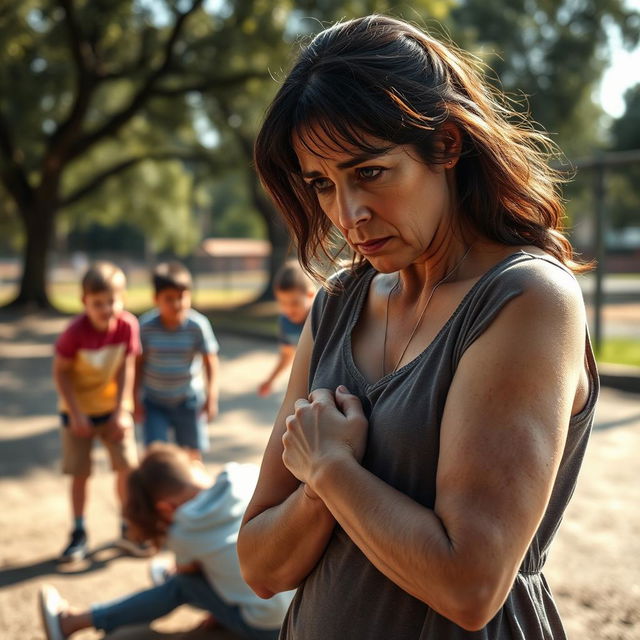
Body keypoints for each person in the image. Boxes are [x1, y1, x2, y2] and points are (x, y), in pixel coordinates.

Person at [237, 15, 599, 640]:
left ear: (448, 145)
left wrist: (332, 470)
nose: (348, 215)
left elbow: (470, 586)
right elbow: (260, 565)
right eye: (322, 185)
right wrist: (322, 492)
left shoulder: (526, 299)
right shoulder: (336, 307)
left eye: (370, 172)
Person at [39, 443, 295, 640]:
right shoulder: (242, 475)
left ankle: (73, 621)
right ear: (194, 462)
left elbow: (187, 573)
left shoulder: (184, 529)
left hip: (269, 627)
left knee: (181, 585)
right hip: (300, 608)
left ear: (164, 508)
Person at [53, 261, 149, 562]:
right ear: (84, 302)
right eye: (98, 303)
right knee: (80, 473)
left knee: (126, 468)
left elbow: (126, 367)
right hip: (78, 411)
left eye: (113, 301)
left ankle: (127, 526)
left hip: (113, 410)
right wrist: (77, 414)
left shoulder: (127, 326)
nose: (107, 308)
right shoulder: (74, 332)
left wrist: (122, 409)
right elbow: (61, 374)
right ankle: (78, 532)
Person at [135, 261, 220, 460]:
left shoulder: (197, 325)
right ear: (156, 299)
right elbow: (137, 364)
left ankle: (196, 491)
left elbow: (210, 361)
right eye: (169, 298)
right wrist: (134, 399)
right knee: (156, 457)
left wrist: (211, 397)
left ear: (189, 296)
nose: (176, 304)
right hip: (154, 402)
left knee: (192, 454)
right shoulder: (146, 327)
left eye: (181, 297)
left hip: (188, 400)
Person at [258, 260, 316, 397]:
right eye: (283, 303)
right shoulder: (285, 321)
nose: (289, 309)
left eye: (295, 303)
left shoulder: (321, 316)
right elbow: (286, 354)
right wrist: (271, 379)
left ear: (310, 295)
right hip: (306, 382)